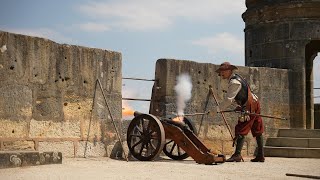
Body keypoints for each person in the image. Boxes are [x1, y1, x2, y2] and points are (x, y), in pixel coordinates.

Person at [214, 62, 265, 162]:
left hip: (250, 105)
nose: (221, 74)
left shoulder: (234, 82)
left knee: (242, 128)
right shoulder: (237, 78)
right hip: (254, 102)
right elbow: (243, 94)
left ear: (229, 71)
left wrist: (216, 110)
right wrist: (240, 106)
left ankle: (237, 155)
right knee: (257, 128)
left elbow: (229, 100)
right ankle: (260, 155)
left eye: (222, 72)